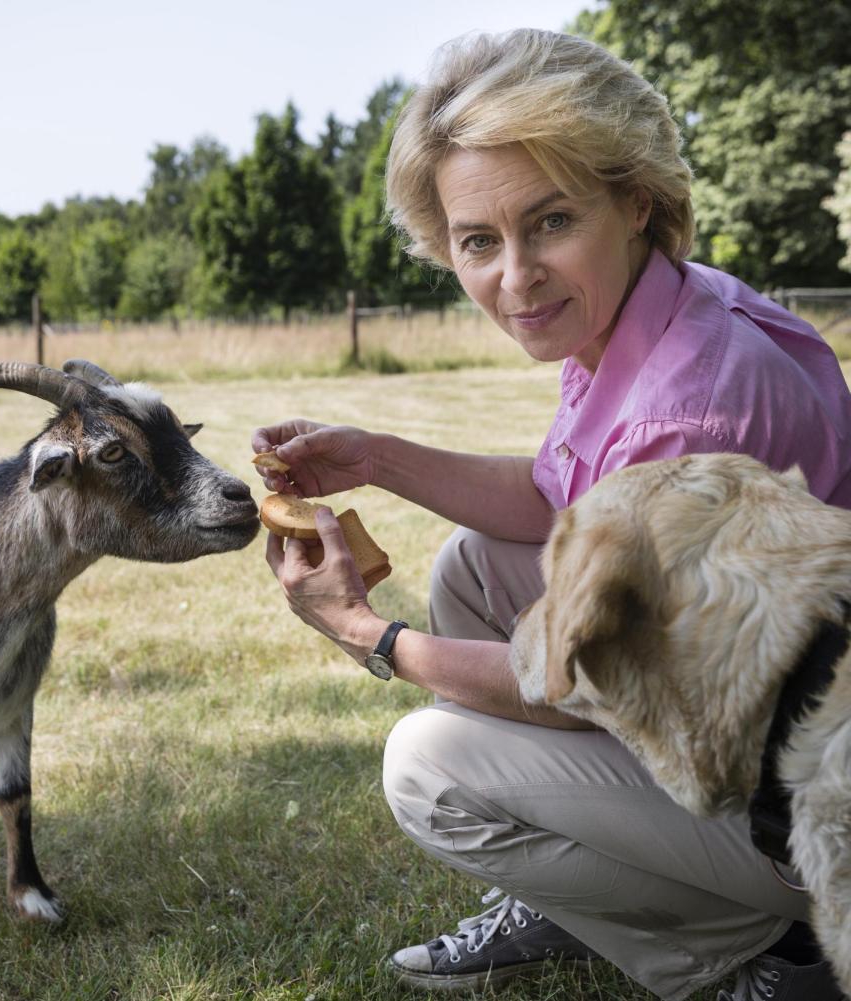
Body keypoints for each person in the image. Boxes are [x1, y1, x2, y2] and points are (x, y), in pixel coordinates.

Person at [252, 28, 851, 1001]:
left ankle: (751, 959)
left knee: (428, 767)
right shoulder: (649, 313)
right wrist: (374, 456)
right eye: (478, 241)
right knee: (478, 563)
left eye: (551, 221)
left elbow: (586, 684)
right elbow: (550, 493)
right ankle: (586, 887)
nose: (514, 275)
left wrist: (366, 632)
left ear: (634, 200)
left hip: (812, 801)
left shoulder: (687, 406)